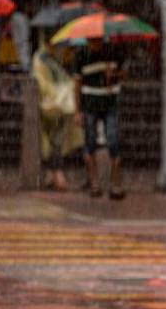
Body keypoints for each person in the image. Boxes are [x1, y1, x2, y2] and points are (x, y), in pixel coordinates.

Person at [73, 38, 127, 200]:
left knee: (113, 141)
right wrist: (78, 110)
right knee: (90, 142)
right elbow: (77, 83)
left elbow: (124, 74)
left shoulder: (113, 52)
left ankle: (115, 183)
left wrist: (114, 75)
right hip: (90, 103)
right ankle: (94, 182)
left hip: (110, 102)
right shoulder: (81, 55)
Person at [33, 43, 80, 191]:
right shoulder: (42, 59)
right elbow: (42, 82)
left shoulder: (54, 58)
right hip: (52, 104)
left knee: (55, 139)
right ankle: (55, 172)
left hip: (59, 104)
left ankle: (52, 172)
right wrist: (58, 93)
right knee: (53, 140)